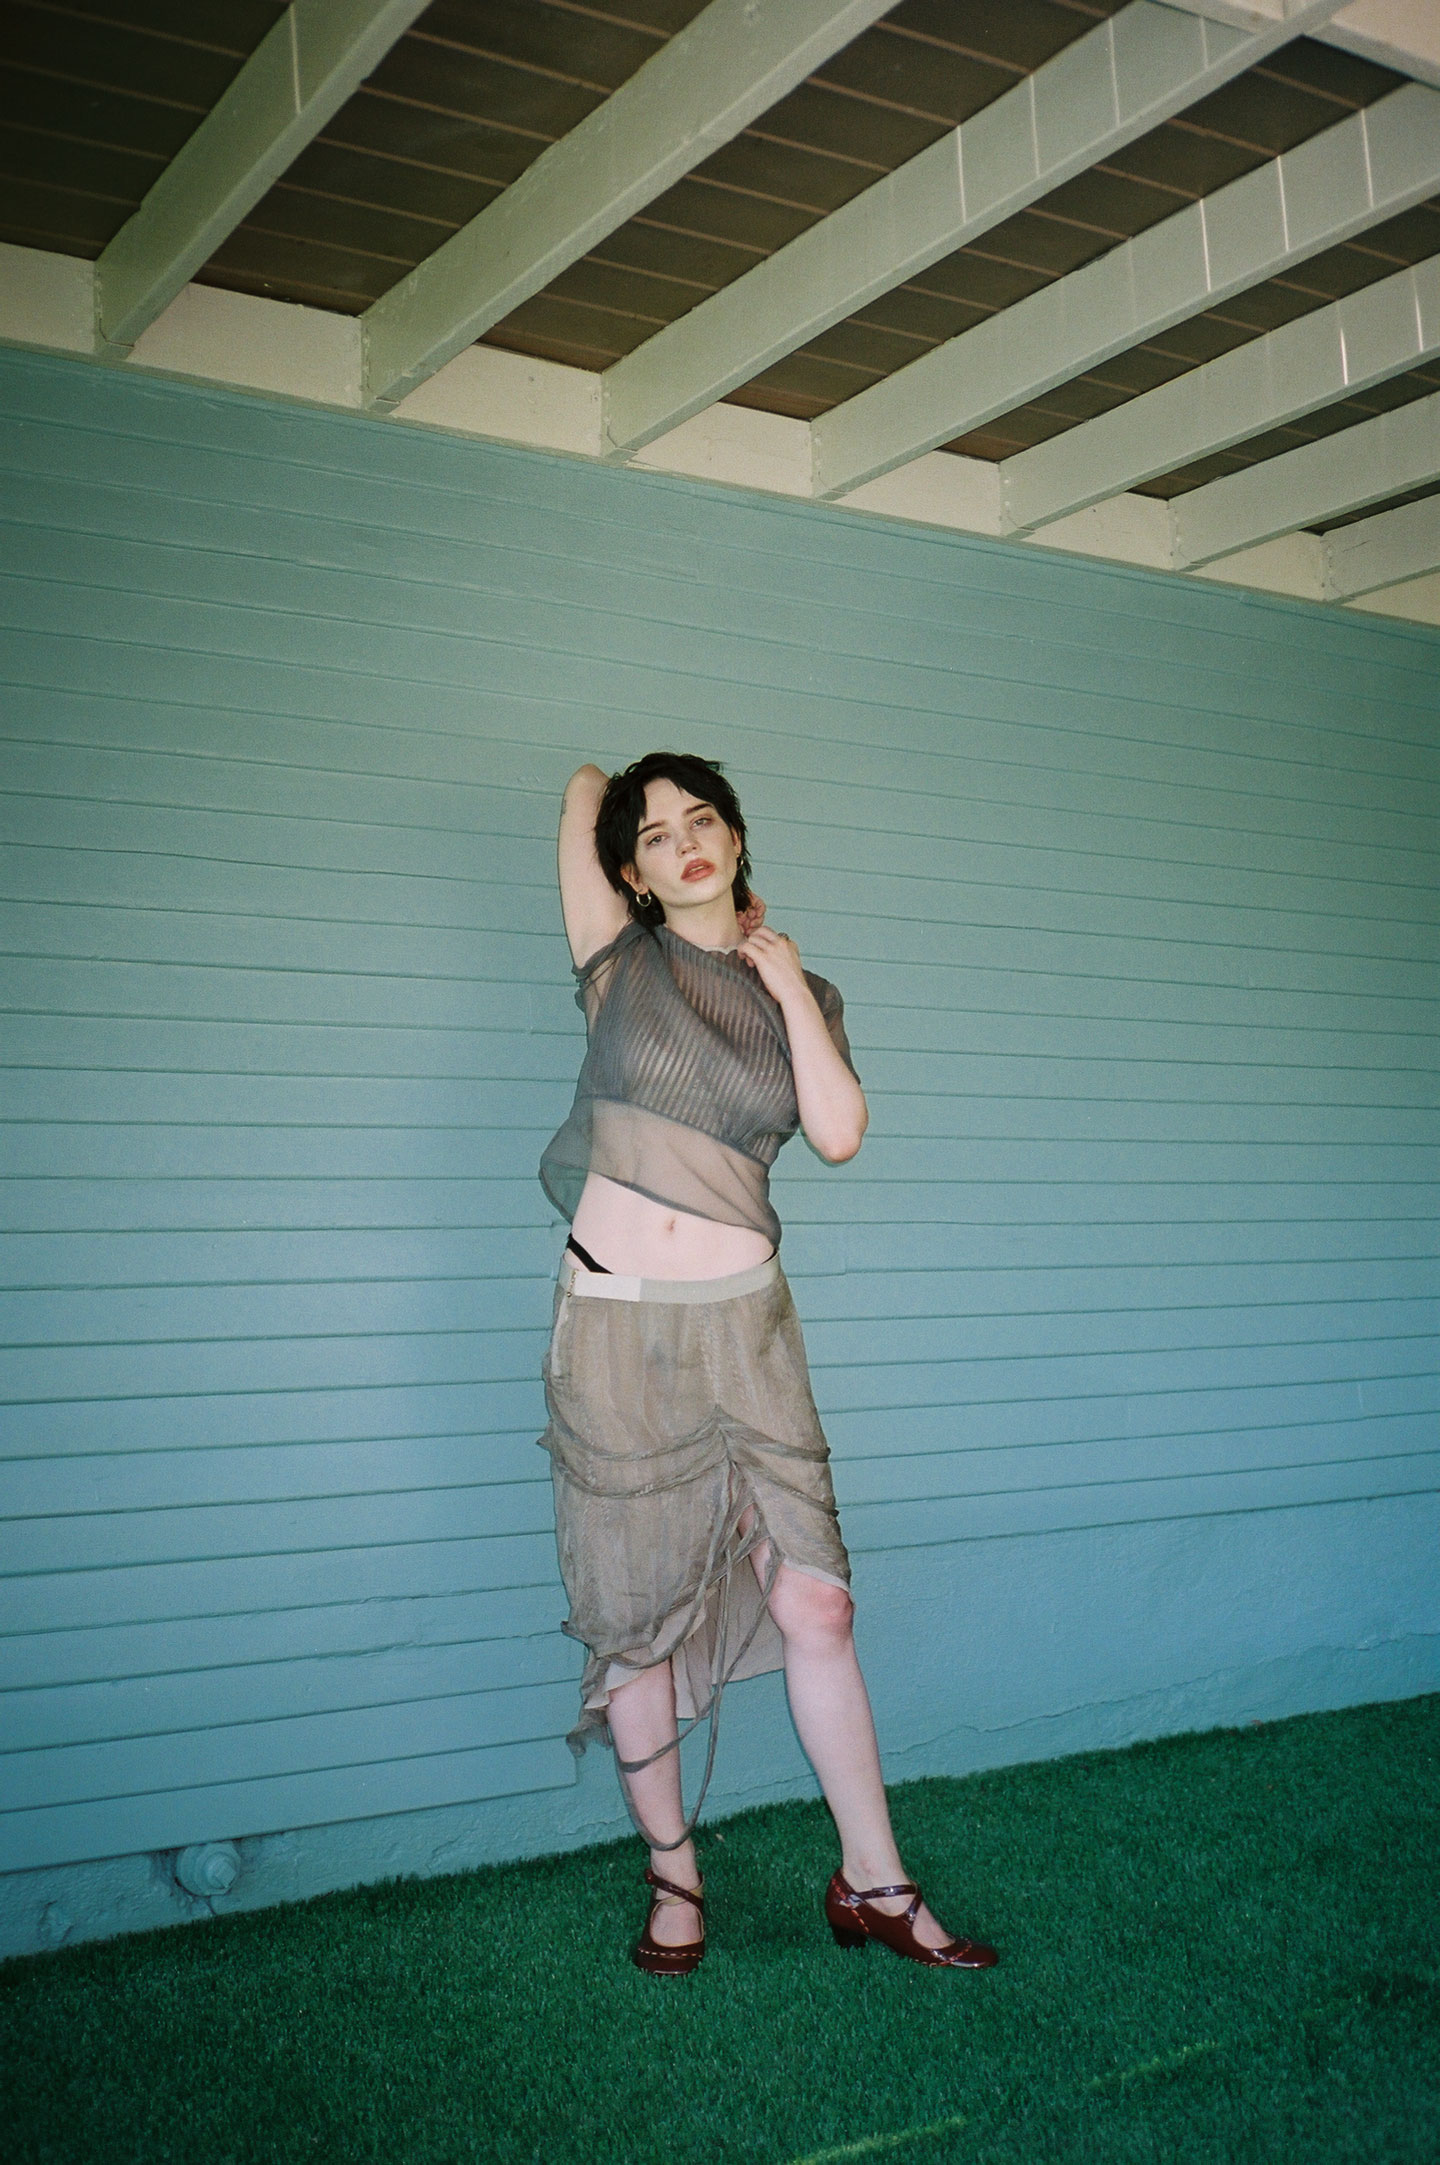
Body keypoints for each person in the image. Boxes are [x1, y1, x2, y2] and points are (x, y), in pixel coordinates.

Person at [537, 751, 997, 1979]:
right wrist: (625, 796)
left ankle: (875, 1879)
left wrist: (782, 974)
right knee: (636, 1623)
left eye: (704, 819)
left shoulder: (807, 989)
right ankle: (673, 1874)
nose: (684, 840)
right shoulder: (617, 960)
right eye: (656, 835)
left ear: (738, 838)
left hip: (747, 1328)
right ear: (631, 872)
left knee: (818, 1601)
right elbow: (582, 786)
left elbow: (837, 1132)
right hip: (617, 1328)